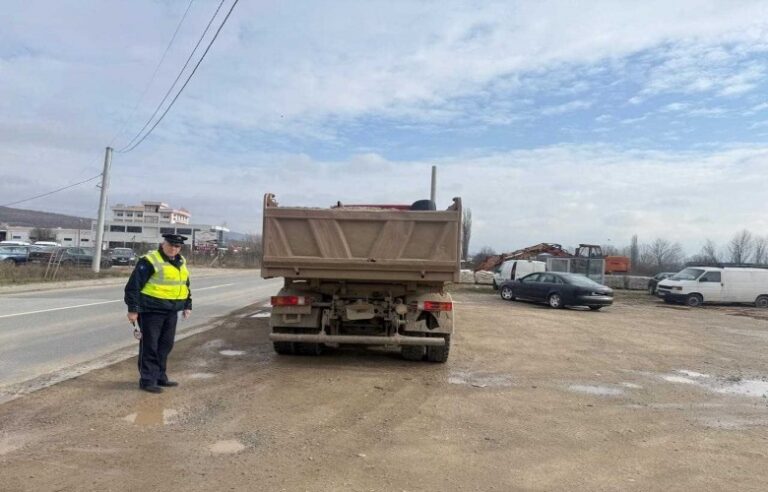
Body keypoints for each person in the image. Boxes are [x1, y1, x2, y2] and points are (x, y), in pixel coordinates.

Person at [124, 234, 192, 393]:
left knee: (165, 345)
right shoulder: (149, 261)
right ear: (163, 244)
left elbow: (184, 285)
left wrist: (187, 305)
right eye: (171, 245)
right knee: (150, 346)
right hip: (151, 311)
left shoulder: (180, 261)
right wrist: (133, 309)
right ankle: (147, 380)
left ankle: (160, 376)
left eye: (177, 246)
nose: (174, 249)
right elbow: (133, 286)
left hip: (171, 311)